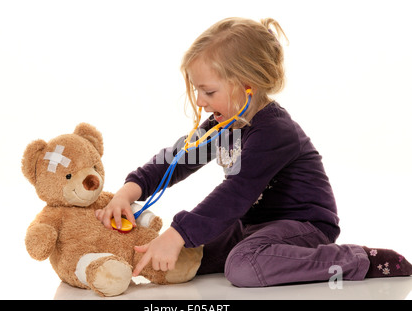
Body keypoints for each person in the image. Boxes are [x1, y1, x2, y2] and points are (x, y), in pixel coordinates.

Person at [95, 17, 411, 287]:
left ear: (246, 85)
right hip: (252, 225)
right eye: (197, 91)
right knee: (191, 256)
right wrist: (128, 191)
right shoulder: (223, 124)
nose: (201, 101)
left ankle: (360, 260)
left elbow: (236, 192)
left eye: (209, 91)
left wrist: (178, 233)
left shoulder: (275, 131)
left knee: (244, 266)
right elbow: (176, 159)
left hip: (302, 224)